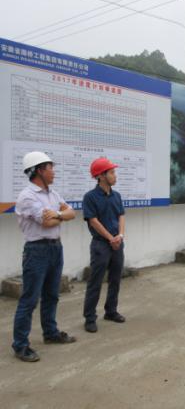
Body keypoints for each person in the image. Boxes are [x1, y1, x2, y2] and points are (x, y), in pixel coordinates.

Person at [12, 151, 76, 362]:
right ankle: (20, 345)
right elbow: (46, 223)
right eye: (50, 167)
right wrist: (61, 215)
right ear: (39, 170)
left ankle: (50, 333)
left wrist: (57, 214)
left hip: (56, 248)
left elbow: (72, 213)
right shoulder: (27, 196)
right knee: (30, 299)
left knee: (52, 295)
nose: (54, 171)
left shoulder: (53, 194)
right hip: (37, 251)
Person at [82, 158, 126, 333]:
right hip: (101, 245)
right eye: (111, 172)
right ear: (100, 176)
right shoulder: (90, 197)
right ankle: (90, 318)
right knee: (96, 281)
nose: (115, 175)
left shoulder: (117, 196)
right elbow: (93, 221)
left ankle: (111, 311)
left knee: (115, 279)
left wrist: (120, 236)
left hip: (117, 243)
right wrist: (110, 238)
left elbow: (121, 216)